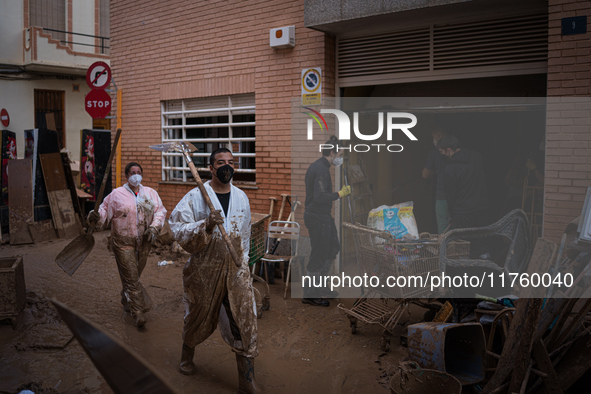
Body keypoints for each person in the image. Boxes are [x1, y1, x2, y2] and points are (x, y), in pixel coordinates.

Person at [168, 148, 260, 393]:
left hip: (235, 269)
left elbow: (246, 234)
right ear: (211, 168)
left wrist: (244, 264)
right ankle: (187, 354)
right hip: (204, 269)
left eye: (231, 162)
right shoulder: (196, 196)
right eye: (221, 162)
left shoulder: (241, 197)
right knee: (197, 315)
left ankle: (247, 380)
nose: (226, 166)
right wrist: (205, 225)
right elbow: (176, 228)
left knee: (244, 320)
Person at [87, 162, 166, 328]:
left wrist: (155, 226)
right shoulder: (116, 194)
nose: (136, 175)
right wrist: (95, 217)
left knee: (133, 275)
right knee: (131, 277)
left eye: (138, 172)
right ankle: (138, 312)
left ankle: (126, 298)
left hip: (144, 242)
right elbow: (103, 212)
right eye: (132, 172)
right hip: (123, 241)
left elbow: (160, 211)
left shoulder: (151, 193)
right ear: (126, 176)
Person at [303, 135, 351, 307]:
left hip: (323, 216)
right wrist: (340, 194)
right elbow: (320, 196)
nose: (341, 158)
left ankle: (321, 286)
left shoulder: (321, 166)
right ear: (332, 152)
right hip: (317, 217)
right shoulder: (321, 169)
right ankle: (311, 293)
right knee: (318, 254)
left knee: (333, 247)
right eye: (340, 155)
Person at [437, 135, 489, 257]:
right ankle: (486, 267)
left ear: (449, 150)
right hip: (481, 208)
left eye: (442, 152)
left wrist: (452, 215)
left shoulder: (450, 169)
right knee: (481, 240)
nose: (442, 155)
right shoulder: (477, 157)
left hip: (462, 212)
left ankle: (465, 270)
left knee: (463, 245)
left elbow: (451, 196)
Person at [422, 129, 449, 234]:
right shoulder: (457, 152)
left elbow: (425, 174)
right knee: (455, 229)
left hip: (442, 195)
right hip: (458, 195)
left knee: (443, 230)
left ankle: (445, 250)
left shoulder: (434, 152)